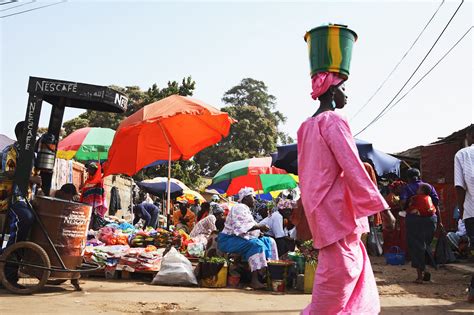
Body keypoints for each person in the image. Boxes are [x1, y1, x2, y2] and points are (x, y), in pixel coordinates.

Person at [298, 73, 394, 314]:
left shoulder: (304, 127)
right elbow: (351, 164)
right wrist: (384, 209)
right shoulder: (333, 120)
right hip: (336, 210)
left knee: (348, 269)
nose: (346, 94)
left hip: (319, 208)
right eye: (343, 88)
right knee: (339, 275)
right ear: (331, 91)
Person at [0, 121, 42, 287]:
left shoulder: (33, 155)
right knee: (24, 219)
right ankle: (8, 271)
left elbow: (36, 176)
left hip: (25, 198)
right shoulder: (9, 151)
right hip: (8, 198)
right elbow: (8, 171)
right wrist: (29, 178)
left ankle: (18, 262)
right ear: (23, 135)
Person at [217, 187, 279, 289]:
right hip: (228, 240)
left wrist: (259, 232)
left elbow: (250, 227)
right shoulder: (239, 207)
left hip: (240, 238)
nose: (255, 200)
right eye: (252, 197)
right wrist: (260, 227)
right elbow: (241, 227)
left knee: (269, 241)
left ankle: (268, 274)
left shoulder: (246, 209)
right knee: (256, 245)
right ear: (245, 199)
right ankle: (254, 280)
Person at [400, 168, 442, 284]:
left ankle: (420, 275)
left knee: (416, 245)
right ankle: (428, 268)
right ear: (419, 176)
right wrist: (440, 221)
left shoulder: (407, 188)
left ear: (408, 178)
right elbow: (436, 204)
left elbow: (403, 204)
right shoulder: (429, 186)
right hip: (431, 219)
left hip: (414, 220)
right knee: (427, 244)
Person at [454, 124, 474, 303]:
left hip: (472, 212)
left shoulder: (463, 154)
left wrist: (460, 210)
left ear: (469, 135)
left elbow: (460, 186)